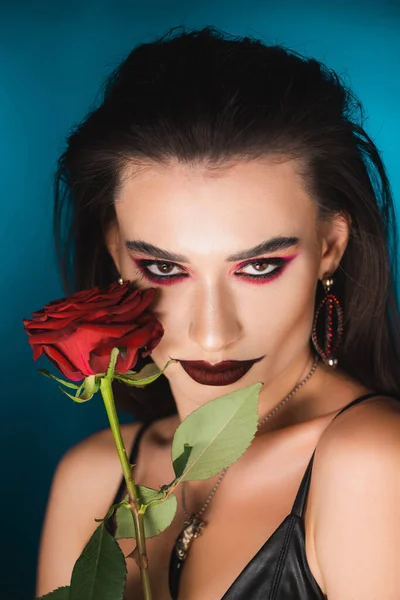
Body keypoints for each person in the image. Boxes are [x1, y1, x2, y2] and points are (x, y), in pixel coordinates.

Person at [36, 26, 400, 599]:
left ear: (330, 246)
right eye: (163, 269)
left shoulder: (375, 464)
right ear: (115, 252)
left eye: (258, 268)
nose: (211, 331)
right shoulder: (92, 474)